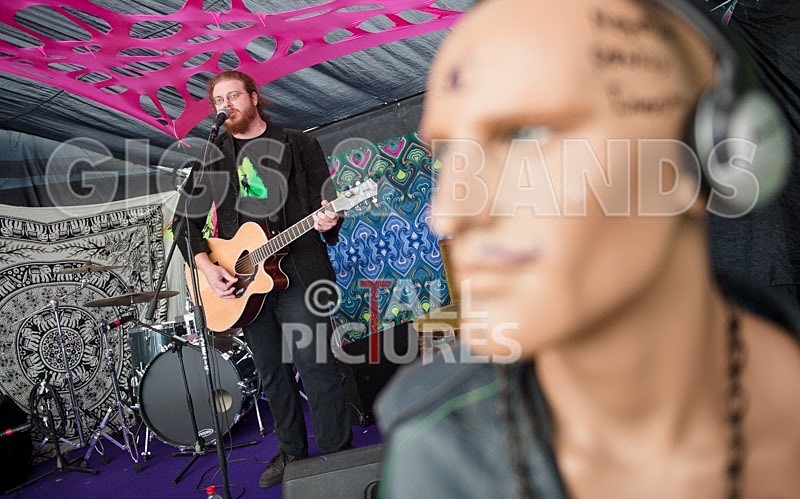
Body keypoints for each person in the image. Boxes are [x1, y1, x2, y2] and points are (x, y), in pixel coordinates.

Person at [375, 1, 800, 498]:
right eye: (449, 154)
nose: (448, 214)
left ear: (704, 154)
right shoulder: (439, 454)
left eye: (524, 137)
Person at [181, 70, 352, 488]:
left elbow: (326, 202)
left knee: (317, 366)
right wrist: (208, 267)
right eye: (219, 100)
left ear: (254, 98)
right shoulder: (213, 157)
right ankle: (292, 451)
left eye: (233, 96)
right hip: (244, 282)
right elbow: (184, 223)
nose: (226, 105)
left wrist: (330, 218)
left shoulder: (299, 144)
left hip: (299, 269)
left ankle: (338, 457)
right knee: (272, 373)